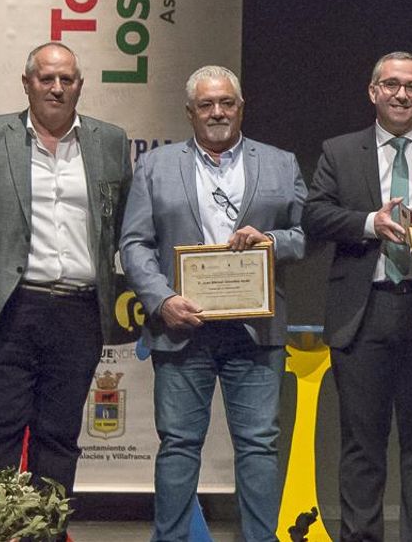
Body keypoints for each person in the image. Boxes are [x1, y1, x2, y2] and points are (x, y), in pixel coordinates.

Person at [0, 41, 132, 498]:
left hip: (79, 313)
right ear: (27, 84)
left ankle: (46, 531)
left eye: (67, 80)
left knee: (58, 436)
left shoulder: (111, 141)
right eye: (46, 79)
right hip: (8, 310)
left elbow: (121, 223)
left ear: (80, 86)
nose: (56, 88)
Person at [302, 52, 412, 542]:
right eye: (391, 85)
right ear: (373, 91)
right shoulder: (340, 151)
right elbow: (314, 215)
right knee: (362, 447)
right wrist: (368, 223)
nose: (401, 94)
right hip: (363, 312)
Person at [119, 66, 306, 541]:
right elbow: (135, 244)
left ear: (241, 107)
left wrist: (270, 241)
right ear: (190, 112)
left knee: (260, 446)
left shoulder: (281, 163)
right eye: (207, 105)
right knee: (179, 446)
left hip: (255, 330)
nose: (218, 112)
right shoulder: (155, 167)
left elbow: (304, 237)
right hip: (182, 328)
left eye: (227, 103)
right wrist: (161, 301)